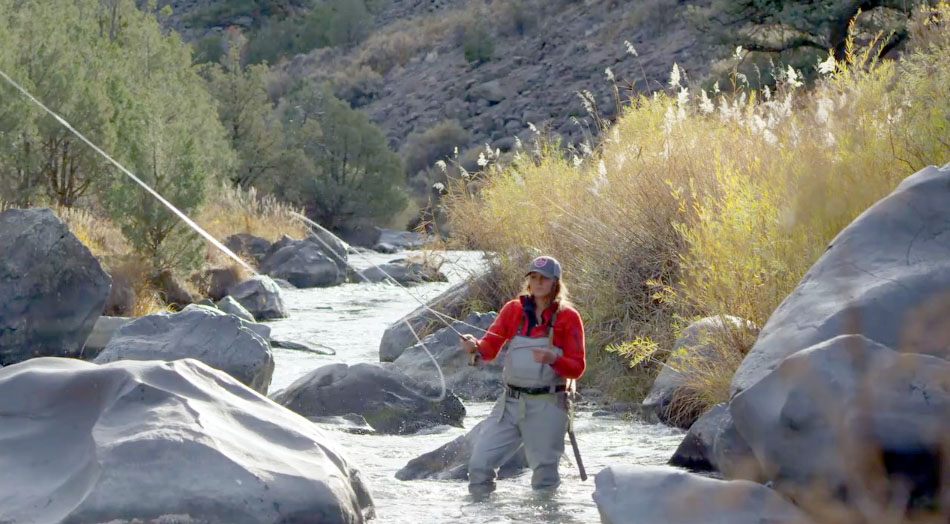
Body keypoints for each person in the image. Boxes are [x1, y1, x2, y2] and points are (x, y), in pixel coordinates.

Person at [459, 255, 586, 496]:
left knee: (545, 476)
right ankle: (480, 512)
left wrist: (554, 360)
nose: (538, 283)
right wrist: (474, 346)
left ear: (555, 282)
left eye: (544, 278)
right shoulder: (513, 310)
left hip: (549, 404)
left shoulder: (568, 317)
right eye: (534, 277)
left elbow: (577, 367)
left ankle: (546, 513)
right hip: (509, 403)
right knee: (479, 465)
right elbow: (488, 349)